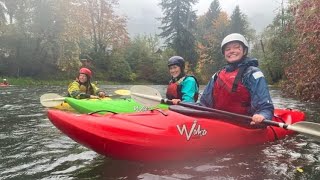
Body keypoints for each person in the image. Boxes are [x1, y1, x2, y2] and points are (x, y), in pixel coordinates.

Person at [199, 33, 274, 125]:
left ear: (244, 51)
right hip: (218, 122)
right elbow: (203, 104)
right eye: (228, 49)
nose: (232, 51)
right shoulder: (217, 76)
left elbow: (265, 106)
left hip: (245, 124)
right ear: (224, 53)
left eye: (236, 47)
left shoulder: (253, 73)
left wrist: (262, 115)